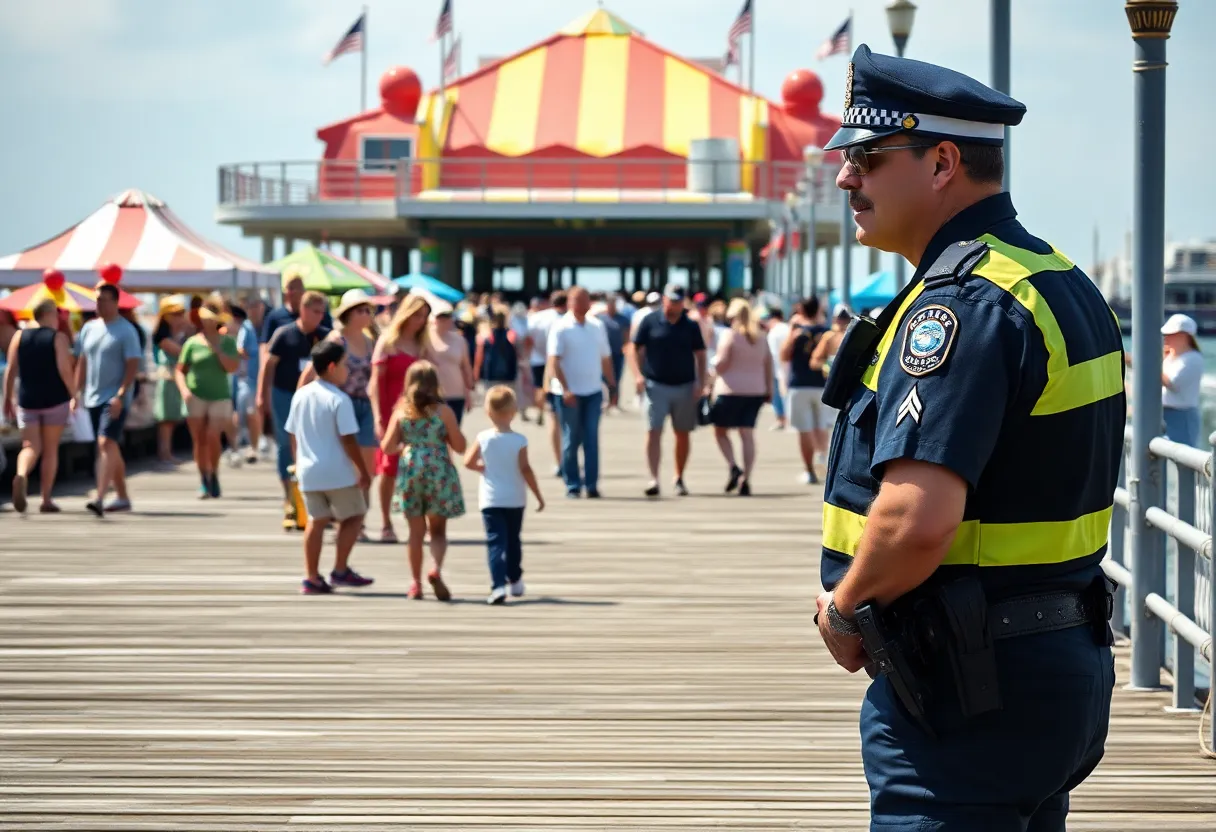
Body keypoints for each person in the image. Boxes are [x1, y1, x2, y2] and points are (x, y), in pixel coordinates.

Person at [813, 45, 1123, 831]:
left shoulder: (959, 305)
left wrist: (846, 610)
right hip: (1052, 666)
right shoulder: (1054, 276)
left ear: (943, 161)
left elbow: (917, 518)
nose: (846, 177)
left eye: (868, 157)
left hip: (968, 686)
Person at [285, 340, 374, 595]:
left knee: (316, 521)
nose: (348, 370)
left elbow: (291, 433)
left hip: (308, 471)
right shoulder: (339, 398)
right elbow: (348, 438)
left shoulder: (300, 394)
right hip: (337, 472)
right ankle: (340, 569)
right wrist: (363, 471)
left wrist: (297, 461)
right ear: (332, 366)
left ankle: (311, 577)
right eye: (345, 365)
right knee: (355, 515)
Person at [380, 360, 466, 601]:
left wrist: (407, 448)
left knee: (415, 532)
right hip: (438, 469)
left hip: (411, 471)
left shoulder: (401, 412)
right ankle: (435, 569)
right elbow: (459, 446)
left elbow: (387, 447)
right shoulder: (443, 412)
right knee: (438, 531)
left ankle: (415, 584)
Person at [299, 289, 379, 537]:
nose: (366, 315)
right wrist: (302, 400)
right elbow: (311, 373)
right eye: (360, 310)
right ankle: (341, 518)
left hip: (364, 407)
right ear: (347, 314)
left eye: (368, 310)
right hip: (338, 406)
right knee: (341, 464)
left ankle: (360, 522)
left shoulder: (370, 342)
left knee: (367, 468)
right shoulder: (336, 340)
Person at [463, 385, 546, 605]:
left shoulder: (483, 438)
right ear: (514, 412)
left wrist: (481, 466)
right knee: (513, 541)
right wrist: (538, 495)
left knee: (495, 542)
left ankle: (498, 586)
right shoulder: (520, 441)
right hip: (515, 499)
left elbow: (467, 462)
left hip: (490, 500)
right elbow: (526, 470)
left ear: (488, 412)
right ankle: (515, 580)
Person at [258, 291, 331, 528]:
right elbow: (268, 366)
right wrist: (262, 396)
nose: (319, 317)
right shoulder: (284, 334)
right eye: (315, 311)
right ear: (303, 309)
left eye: (322, 312)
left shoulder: (326, 337)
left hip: (316, 399)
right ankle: (289, 497)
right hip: (284, 395)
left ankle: (317, 501)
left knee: (316, 445)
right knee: (286, 445)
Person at [629, 284, 706, 497]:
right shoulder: (649, 321)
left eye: (679, 301)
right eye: (672, 300)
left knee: (682, 434)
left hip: (684, 385)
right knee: (653, 431)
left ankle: (679, 476)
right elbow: (634, 348)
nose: (675, 305)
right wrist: (637, 375)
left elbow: (700, 354)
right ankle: (653, 478)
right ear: (664, 300)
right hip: (656, 385)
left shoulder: (690, 325)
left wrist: (701, 382)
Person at [73, 283, 142, 517]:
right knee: (110, 446)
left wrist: (121, 395)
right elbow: (82, 361)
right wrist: (75, 392)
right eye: (97, 300)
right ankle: (122, 497)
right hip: (92, 396)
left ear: (115, 302)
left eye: (103, 300)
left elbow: (132, 366)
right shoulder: (89, 328)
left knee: (105, 443)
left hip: (114, 397)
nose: (99, 304)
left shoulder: (126, 330)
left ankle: (99, 497)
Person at [369, 292, 431, 543]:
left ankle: (417, 521)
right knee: (389, 467)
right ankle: (385, 521)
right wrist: (377, 417)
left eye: (424, 317)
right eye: (416, 315)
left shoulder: (422, 345)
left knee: (418, 467)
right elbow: (375, 383)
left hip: (416, 413)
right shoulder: (388, 342)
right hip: (389, 410)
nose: (420, 321)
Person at [3, 299, 75, 513]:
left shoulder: (19, 336)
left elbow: (11, 369)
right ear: (50, 314)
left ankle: (22, 474)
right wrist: (74, 395)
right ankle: (46, 499)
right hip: (55, 400)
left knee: (30, 446)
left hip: (27, 400)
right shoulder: (58, 338)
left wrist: (8, 397)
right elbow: (64, 370)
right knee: (50, 450)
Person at [546, 287, 614, 498]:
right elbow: (554, 361)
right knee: (570, 440)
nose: (581, 304)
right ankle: (572, 484)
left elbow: (605, 358)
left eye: (585, 300)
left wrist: (612, 384)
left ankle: (592, 485)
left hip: (593, 391)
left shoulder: (597, 326)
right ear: (569, 303)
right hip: (568, 394)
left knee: (591, 439)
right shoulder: (560, 327)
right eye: (576, 301)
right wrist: (565, 389)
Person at [707, 298, 773, 496]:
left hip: (729, 390)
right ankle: (747, 477)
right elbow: (768, 365)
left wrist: (711, 370)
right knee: (747, 434)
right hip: (755, 391)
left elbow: (721, 364)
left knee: (720, 431)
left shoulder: (730, 335)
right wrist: (769, 390)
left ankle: (733, 466)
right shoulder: (761, 336)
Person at [177, 300, 240, 499]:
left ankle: (214, 473)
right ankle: (203, 477)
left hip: (219, 396)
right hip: (195, 394)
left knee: (213, 435)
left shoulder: (228, 341)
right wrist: (184, 390)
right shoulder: (192, 342)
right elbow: (180, 370)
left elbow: (232, 367)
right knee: (199, 439)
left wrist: (217, 349)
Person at [781, 297, 831, 484]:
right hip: (822, 385)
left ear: (801, 310)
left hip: (800, 385)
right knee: (822, 425)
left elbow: (783, 355)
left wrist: (791, 330)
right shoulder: (827, 332)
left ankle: (809, 470)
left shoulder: (797, 332)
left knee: (804, 429)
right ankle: (822, 457)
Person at [150, 295, 189, 463]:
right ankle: (164, 452)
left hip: (175, 381)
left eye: (181, 313)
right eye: (176, 314)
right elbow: (182, 353)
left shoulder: (178, 334)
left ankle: (167, 452)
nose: (179, 317)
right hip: (167, 381)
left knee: (171, 419)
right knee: (166, 420)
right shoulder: (163, 337)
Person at [1159, 314, 1203, 447]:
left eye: (1171, 333)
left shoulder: (1193, 358)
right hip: (1164, 415)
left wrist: (1149, 364)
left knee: (1181, 461)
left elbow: (1172, 383)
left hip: (1181, 417)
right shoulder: (1170, 357)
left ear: (1184, 336)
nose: (1166, 337)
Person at [429, 306, 474, 424]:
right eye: (441, 317)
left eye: (447, 317)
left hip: (456, 394)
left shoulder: (459, 340)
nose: (444, 321)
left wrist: (468, 394)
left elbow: (465, 366)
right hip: (434, 395)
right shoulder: (426, 338)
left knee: (454, 432)